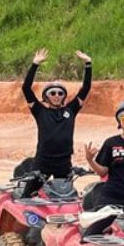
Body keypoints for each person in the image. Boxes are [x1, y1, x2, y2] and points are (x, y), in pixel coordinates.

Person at [21, 48, 92, 177]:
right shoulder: (39, 111)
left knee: (65, 195)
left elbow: (86, 88)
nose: (56, 96)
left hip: (64, 162)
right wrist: (35, 64)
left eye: (60, 93)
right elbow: (26, 88)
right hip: (43, 161)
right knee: (29, 193)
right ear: (46, 97)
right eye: (52, 93)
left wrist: (88, 64)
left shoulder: (71, 110)